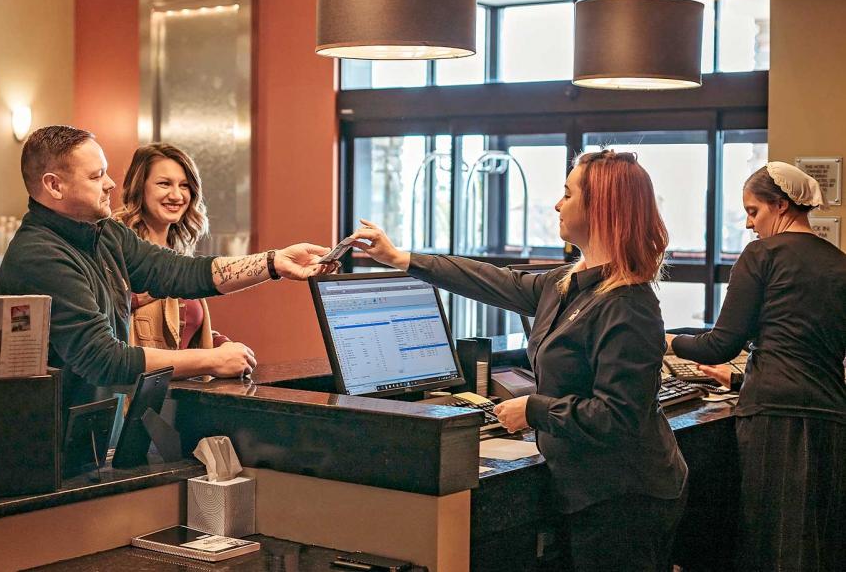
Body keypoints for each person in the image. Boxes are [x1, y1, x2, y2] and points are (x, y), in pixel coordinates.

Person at [352, 150, 687, 571]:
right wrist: (402, 259)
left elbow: (618, 416)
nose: (557, 204)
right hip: (589, 489)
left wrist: (533, 408)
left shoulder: (629, 305)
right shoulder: (568, 283)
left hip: (626, 496)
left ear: (600, 208)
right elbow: (492, 281)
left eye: (568, 194)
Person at [0, 125, 336, 413]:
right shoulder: (39, 255)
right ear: (54, 185)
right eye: (97, 175)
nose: (110, 184)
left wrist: (273, 262)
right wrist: (210, 360)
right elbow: (105, 360)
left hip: (91, 435)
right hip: (46, 447)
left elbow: (179, 272)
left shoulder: (105, 234)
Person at [667, 162, 846, 571]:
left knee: (770, 537)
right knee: (817, 538)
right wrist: (737, 376)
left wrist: (667, 342)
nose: (749, 224)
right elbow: (811, 349)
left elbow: (720, 344)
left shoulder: (761, 255)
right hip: (831, 415)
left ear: (781, 205)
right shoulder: (840, 262)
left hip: (773, 417)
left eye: (754, 211)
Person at [113, 144, 229, 362]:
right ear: (139, 187)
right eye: (164, 183)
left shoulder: (180, 251)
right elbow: (101, 313)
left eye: (184, 185)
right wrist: (150, 292)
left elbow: (183, 332)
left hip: (182, 390)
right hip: (135, 391)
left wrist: (221, 345)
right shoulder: (115, 245)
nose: (176, 195)